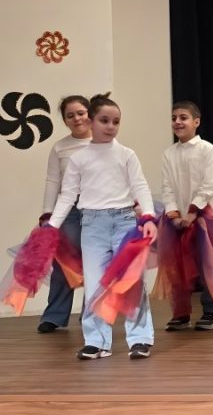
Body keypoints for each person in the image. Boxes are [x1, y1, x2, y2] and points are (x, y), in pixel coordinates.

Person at [47, 93, 157, 360]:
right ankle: (96, 341)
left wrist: (148, 217)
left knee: (131, 281)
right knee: (95, 284)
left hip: (124, 222)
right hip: (92, 226)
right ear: (91, 121)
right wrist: (51, 226)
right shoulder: (79, 158)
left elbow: (140, 186)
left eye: (116, 122)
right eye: (104, 120)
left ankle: (140, 339)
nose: (111, 126)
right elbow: (67, 195)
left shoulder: (126, 154)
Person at [160, 100, 213, 331]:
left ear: (196, 122)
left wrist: (192, 212)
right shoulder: (169, 153)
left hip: (202, 216)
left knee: (208, 264)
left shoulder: (207, 149)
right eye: (174, 118)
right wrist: (174, 214)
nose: (177, 122)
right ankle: (181, 313)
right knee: (177, 265)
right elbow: (167, 187)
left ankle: (212, 312)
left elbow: (209, 184)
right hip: (177, 219)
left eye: (183, 117)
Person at [36, 94, 91, 333]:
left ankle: (91, 316)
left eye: (81, 113)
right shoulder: (60, 147)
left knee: (95, 261)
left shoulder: (102, 142)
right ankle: (55, 316)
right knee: (63, 263)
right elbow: (52, 180)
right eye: (70, 116)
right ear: (65, 120)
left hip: (97, 210)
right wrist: (47, 214)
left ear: (89, 113)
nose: (76, 119)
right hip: (67, 211)